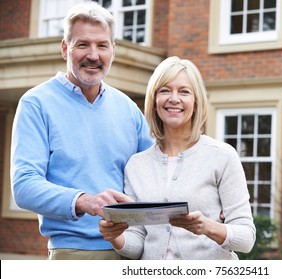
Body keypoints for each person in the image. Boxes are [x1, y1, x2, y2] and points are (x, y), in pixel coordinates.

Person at [10, 2, 154, 260]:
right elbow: (24, 186)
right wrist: (84, 201)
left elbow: (155, 174)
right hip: (75, 253)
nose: (93, 55)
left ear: (113, 50)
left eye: (102, 45)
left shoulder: (129, 109)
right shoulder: (36, 104)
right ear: (65, 48)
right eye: (83, 44)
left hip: (132, 249)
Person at [99, 56, 256, 259]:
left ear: (196, 101)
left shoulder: (222, 156)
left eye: (184, 91)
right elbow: (138, 244)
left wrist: (206, 227)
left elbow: (246, 238)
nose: (174, 98)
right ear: (154, 101)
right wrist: (115, 237)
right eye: (165, 90)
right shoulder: (137, 165)